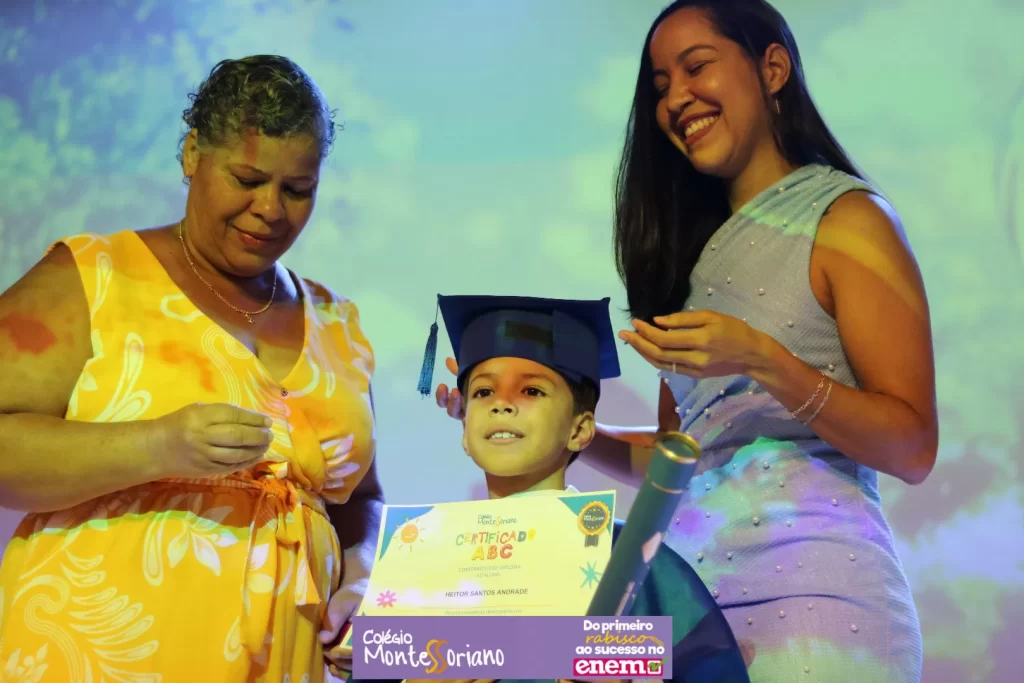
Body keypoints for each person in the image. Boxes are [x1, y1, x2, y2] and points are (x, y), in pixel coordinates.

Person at [437, 2, 936, 681]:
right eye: (660, 84)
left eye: (697, 67)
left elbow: (912, 448)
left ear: (773, 68)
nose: (675, 98)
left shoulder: (849, 219)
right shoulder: (689, 260)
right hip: (687, 610)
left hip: (815, 601)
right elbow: (682, 457)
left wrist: (762, 358)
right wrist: (552, 426)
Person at [0, 55, 381, 681]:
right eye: (247, 178)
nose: (271, 208)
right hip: (106, 653)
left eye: (297, 189)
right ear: (192, 154)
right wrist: (157, 445)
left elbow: (360, 496)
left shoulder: (337, 320)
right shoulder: (94, 275)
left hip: (286, 658)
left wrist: (362, 575)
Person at [428, 294, 750, 683]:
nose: (503, 404)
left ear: (580, 430)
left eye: (532, 391)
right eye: (483, 392)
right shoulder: (424, 562)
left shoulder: (631, 560)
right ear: (465, 428)